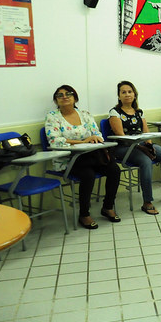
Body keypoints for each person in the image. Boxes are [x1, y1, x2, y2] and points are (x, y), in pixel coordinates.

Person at [45, 85, 121, 229]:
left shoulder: (85, 114)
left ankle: (108, 207)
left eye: (68, 94)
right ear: (56, 100)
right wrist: (83, 141)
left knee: (114, 169)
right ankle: (84, 214)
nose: (64, 97)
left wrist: (94, 139)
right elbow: (54, 140)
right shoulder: (52, 117)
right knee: (88, 175)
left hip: (91, 156)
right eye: (60, 95)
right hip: (68, 159)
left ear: (75, 98)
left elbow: (97, 134)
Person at [109, 81, 161, 215]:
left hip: (141, 145)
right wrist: (142, 149)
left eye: (130, 92)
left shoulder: (139, 112)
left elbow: (146, 133)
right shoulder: (114, 112)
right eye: (123, 92)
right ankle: (147, 202)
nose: (127, 94)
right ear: (119, 96)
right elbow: (121, 136)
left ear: (135, 94)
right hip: (124, 147)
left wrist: (149, 145)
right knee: (146, 162)